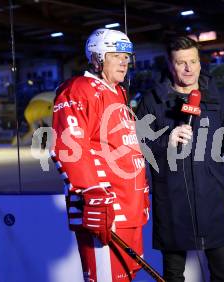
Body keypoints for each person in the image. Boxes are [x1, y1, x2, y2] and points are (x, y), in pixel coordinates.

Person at [51, 28, 150, 281]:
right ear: (97, 57)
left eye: (127, 57)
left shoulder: (118, 92)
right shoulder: (79, 89)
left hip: (129, 208)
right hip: (105, 211)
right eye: (117, 55)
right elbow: (68, 148)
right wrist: (93, 194)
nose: (124, 62)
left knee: (127, 275)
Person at [136, 36, 224, 282]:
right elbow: (137, 147)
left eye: (193, 61)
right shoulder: (151, 101)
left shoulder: (217, 97)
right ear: (170, 65)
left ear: (200, 62)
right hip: (171, 200)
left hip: (212, 200)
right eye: (181, 63)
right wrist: (166, 140)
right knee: (173, 274)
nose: (189, 68)